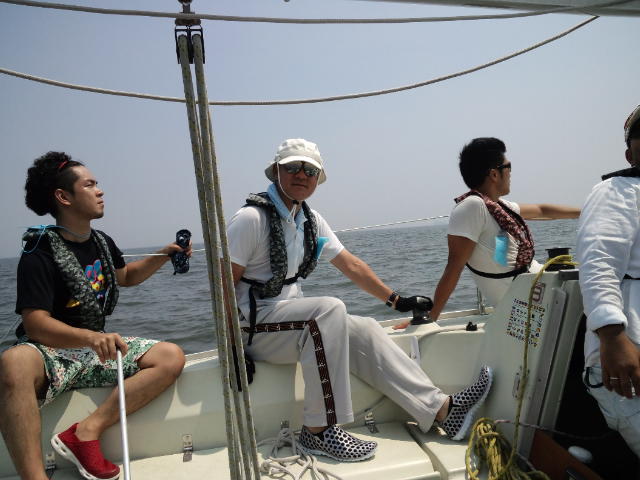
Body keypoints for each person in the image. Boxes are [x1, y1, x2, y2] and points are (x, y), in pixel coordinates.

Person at [225, 138, 493, 462]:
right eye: (293, 167)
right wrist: (232, 348)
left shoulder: (310, 220)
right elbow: (223, 284)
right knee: (328, 311)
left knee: (363, 327)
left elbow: (351, 265)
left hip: (288, 324)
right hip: (252, 328)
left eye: (310, 170)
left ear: (318, 178)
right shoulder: (251, 219)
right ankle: (318, 432)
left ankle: (442, 410)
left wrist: (396, 300)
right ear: (276, 171)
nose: (302, 174)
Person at [0, 152, 190, 480]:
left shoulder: (102, 242)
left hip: (91, 353)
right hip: (50, 354)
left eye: (97, 184)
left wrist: (164, 254)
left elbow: (125, 276)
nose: (100, 190)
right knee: (13, 362)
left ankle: (86, 431)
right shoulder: (38, 251)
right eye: (89, 185)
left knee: (170, 356)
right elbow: (35, 323)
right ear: (64, 197)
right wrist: (91, 338)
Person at [394, 137, 580, 329]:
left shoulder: (499, 208)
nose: (511, 172)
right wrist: (431, 317)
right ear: (494, 174)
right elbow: (454, 266)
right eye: (508, 167)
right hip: (531, 306)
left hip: (544, 293)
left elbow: (541, 211)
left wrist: (586, 212)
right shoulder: (472, 207)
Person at [577, 104, 640, 456]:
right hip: (629, 352)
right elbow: (598, 261)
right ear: (630, 154)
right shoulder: (618, 190)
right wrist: (613, 336)